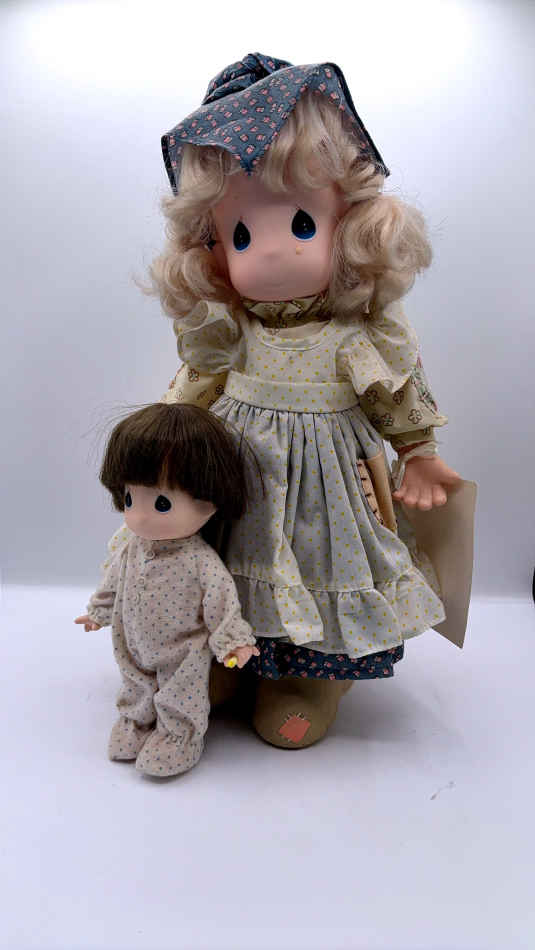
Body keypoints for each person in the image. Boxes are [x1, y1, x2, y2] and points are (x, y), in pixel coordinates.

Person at [109, 53, 471, 750]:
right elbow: (196, 387)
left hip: (326, 492)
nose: (271, 252)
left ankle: (308, 678)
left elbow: (395, 390)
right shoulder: (229, 328)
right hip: (236, 479)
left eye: (302, 224)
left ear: (350, 222)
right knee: (226, 566)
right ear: (213, 244)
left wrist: (419, 453)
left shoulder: (357, 333)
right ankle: (229, 655)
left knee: (317, 570)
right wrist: (162, 443)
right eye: (242, 235)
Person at [75, 403, 259, 777]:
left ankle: (180, 737)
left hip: (183, 648)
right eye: (130, 498)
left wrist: (233, 642)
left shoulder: (200, 561)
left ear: (208, 502)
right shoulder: (132, 546)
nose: (139, 516)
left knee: (181, 692)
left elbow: (222, 603)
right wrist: (99, 611)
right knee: (134, 681)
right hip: (131, 638)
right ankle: (136, 722)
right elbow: (113, 580)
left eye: (161, 503)